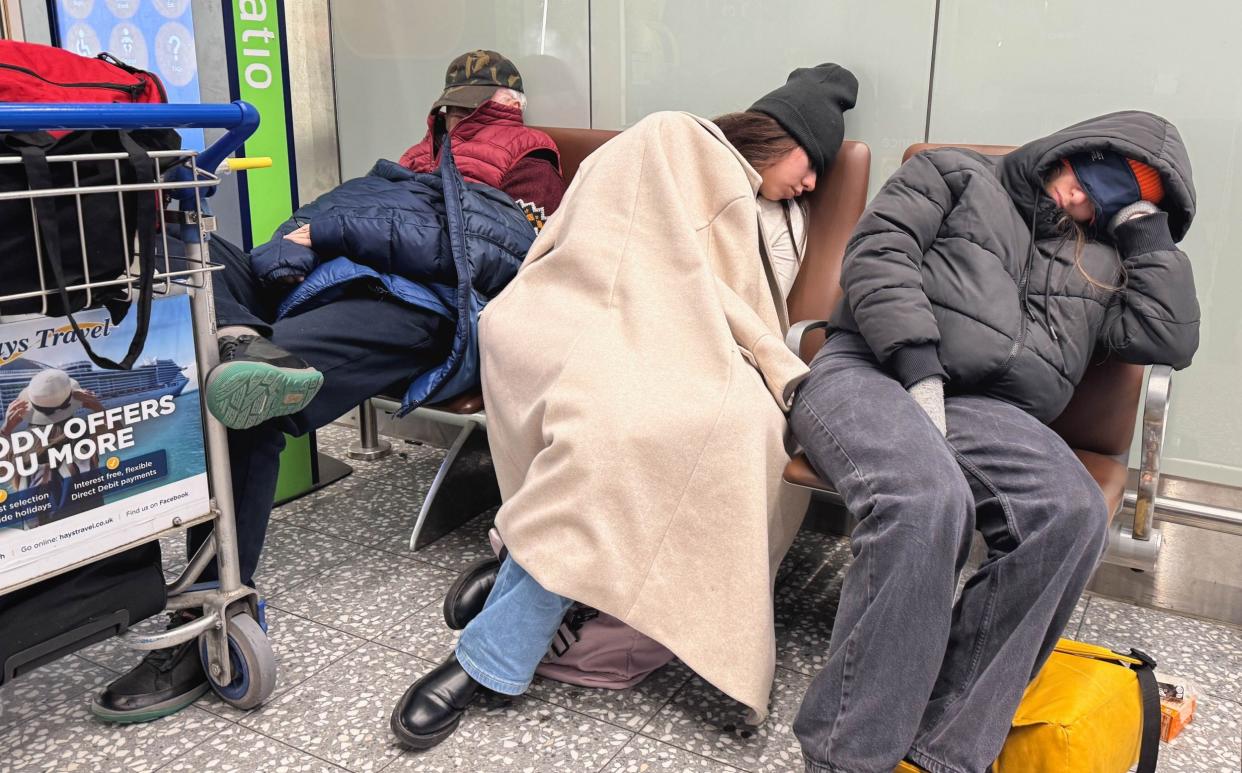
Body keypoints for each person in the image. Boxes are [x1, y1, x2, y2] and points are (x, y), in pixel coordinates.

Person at [390, 63, 859, 751]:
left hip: (701, 350)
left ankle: (516, 572)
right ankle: (490, 656)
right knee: (603, 424)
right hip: (605, 321)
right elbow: (612, 241)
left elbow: (737, 298)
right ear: (776, 136)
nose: (815, 182)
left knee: (687, 428)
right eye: (810, 161)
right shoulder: (675, 138)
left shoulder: (783, 218)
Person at [91, 49, 566, 724]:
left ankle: (209, 619)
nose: (469, 113)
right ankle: (242, 338)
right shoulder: (411, 155)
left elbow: (502, 248)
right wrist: (296, 240)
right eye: (463, 103)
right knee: (174, 241)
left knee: (241, 410)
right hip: (323, 274)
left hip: (405, 296)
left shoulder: (531, 159)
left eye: (480, 104)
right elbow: (326, 213)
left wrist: (332, 229)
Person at [789, 111, 1199, 773]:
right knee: (926, 500)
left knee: (1070, 513)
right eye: (1087, 177)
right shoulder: (951, 172)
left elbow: (1169, 337)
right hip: (872, 367)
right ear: (1071, 150)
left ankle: (941, 752)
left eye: (1111, 199)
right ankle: (848, 757)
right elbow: (878, 255)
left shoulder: (1101, 263)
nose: (1082, 199)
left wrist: (1146, 235)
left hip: (985, 409)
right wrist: (918, 363)